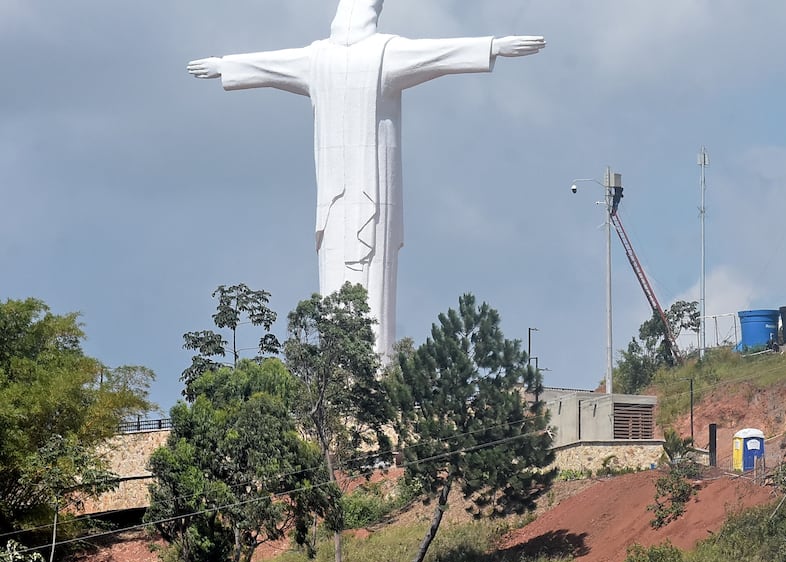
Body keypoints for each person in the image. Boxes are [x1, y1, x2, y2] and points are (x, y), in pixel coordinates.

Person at [187, 0, 545, 360]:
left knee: (373, 277)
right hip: (332, 200)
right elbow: (268, 66)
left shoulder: (384, 53)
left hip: (374, 194)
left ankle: (376, 367)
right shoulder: (318, 59)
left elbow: (439, 54)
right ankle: (339, 370)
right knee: (333, 282)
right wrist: (225, 66)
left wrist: (493, 46)